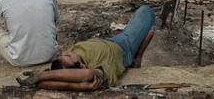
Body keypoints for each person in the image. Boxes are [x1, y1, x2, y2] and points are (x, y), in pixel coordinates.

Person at [17, 5, 155, 91]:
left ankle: (137, 58)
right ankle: (136, 59)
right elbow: (88, 75)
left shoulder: (63, 67)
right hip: (123, 47)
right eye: (69, 56)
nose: (66, 52)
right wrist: (78, 86)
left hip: (107, 40)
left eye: (65, 54)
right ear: (82, 66)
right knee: (147, 12)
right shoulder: (97, 71)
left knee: (146, 22)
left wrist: (42, 77)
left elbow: (41, 84)